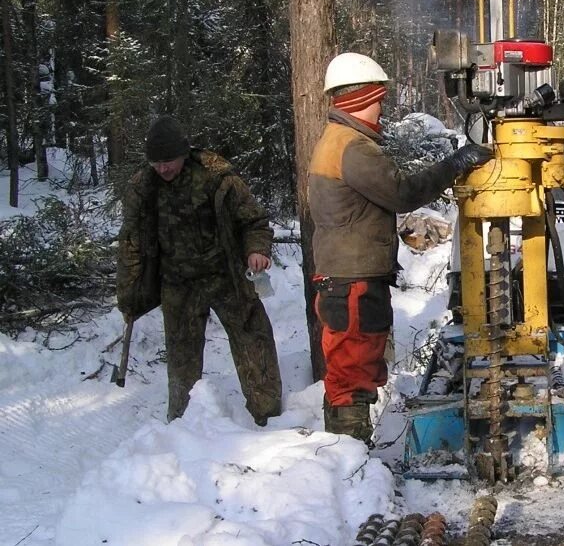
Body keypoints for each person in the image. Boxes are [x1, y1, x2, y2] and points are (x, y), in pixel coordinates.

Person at [309, 52, 493, 443]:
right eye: (378, 101)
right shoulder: (352, 146)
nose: (380, 110)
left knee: (353, 366)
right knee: (351, 372)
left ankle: (349, 459)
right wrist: (456, 162)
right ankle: (349, 459)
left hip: (349, 276)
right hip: (352, 279)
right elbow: (402, 192)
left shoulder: (340, 139)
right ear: (359, 100)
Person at [116, 116, 283, 426]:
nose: (163, 168)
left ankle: (269, 415)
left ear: (183, 152)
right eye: (156, 163)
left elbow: (253, 221)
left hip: (226, 274)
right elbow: (132, 243)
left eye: (168, 161)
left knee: (253, 338)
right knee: (181, 356)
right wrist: (129, 296)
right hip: (177, 281)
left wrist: (256, 250)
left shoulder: (216, 176)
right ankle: (183, 423)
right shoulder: (143, 187)